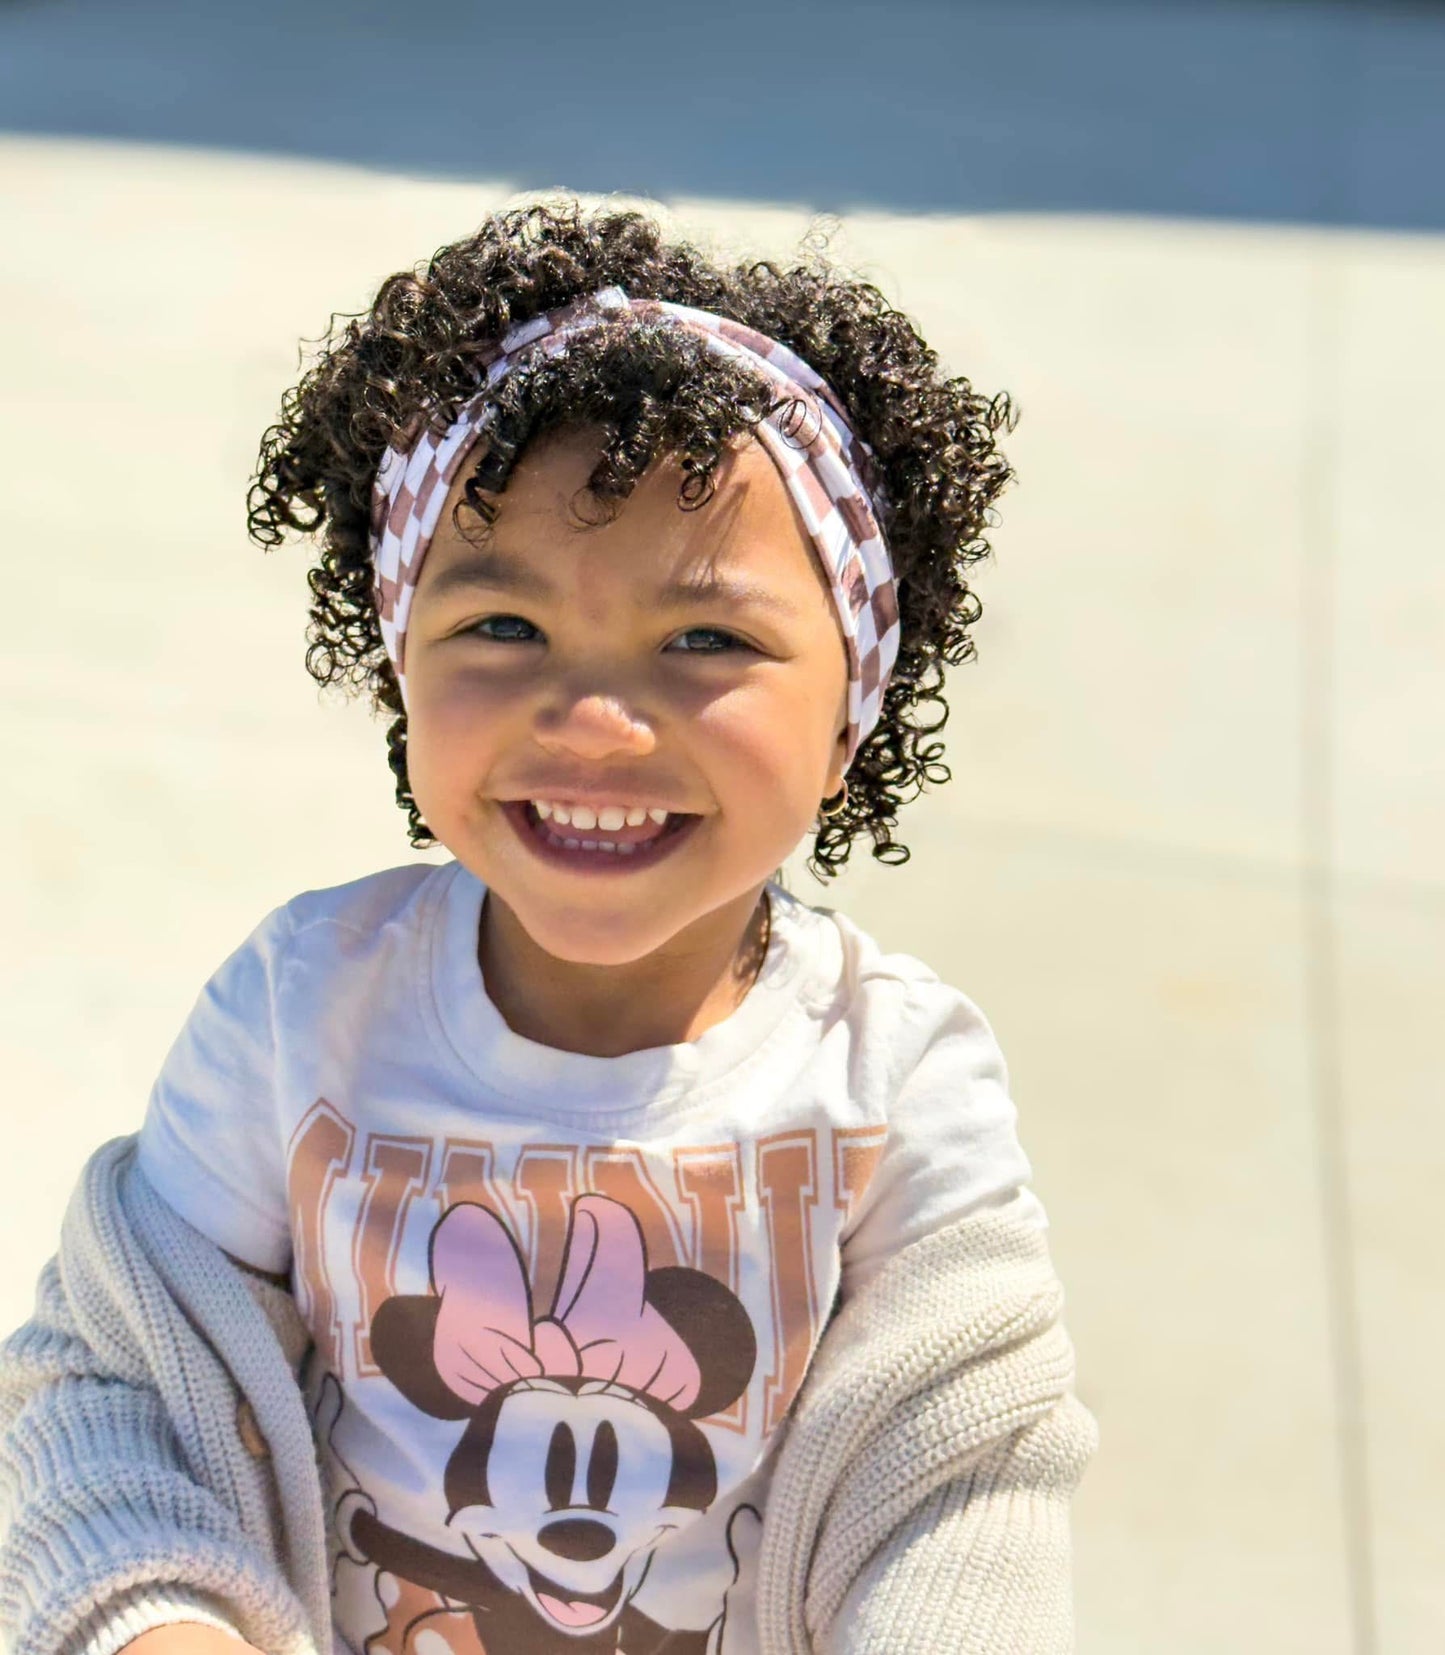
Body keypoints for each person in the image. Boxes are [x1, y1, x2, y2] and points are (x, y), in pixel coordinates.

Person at [0, 199, 1097, 1655]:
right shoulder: (300, 1011)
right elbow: (115, 1383)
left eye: (705, 639)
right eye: (502, 628)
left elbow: (964, 1487)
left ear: (853, 710)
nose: (591, 721)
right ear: (398, 662)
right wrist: (160, 1625)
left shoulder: (895, 1083)